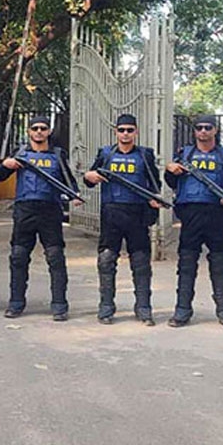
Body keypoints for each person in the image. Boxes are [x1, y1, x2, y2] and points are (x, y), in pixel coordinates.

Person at [164, 115, 223, 328]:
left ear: (215, 130)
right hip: (191, 214)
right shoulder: (185, 154)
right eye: (199, 128)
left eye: (207, 128)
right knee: (187, 263)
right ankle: (182, 311)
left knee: (219, 264)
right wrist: (169, 170)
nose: (203, 131)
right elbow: (173, 182)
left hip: (217, 214)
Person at [0, 115, 80, 321]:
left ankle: (59, 305)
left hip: (50, 211)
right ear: (29, 132)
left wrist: (74, 196)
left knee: (55, 258)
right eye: (35, 128)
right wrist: (6, 165)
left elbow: (70, 182)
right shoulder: (20, 153)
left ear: (49, 131)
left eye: (43, 128)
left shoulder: (58, 154)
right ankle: (16, 303)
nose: (39, 131)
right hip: (25, 210)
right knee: (18, 257)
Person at [82, 113, 162, 326]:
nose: (125, 134)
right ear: (116, 132)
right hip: (111, 214)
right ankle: (106, 307)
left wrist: (155, 201)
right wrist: (88, 176)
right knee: (106, 261)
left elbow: (155, 185)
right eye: (121, 130)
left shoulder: (145, 155)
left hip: (137, 214)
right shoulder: (106, 153)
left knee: (141, 263)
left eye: (129, 130)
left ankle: (144, 308)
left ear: (136, 132)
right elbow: (90, 178)